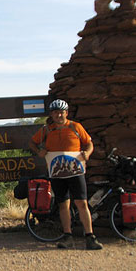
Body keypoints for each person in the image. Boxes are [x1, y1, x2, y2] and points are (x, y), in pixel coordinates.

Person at [28, 99, 103, 250]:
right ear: (52, 114)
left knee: (81, 203)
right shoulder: (46, 130)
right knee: (63, 205)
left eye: (61, 112)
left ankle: (90, 237)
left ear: (66, 113)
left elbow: (89, 143)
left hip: (75, 172)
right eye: (55, 112)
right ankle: (67, 237)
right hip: (57, 173)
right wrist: (38, 152)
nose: (59, 115)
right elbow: (32, 142)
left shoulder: (76, 127)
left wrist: (87, 153)